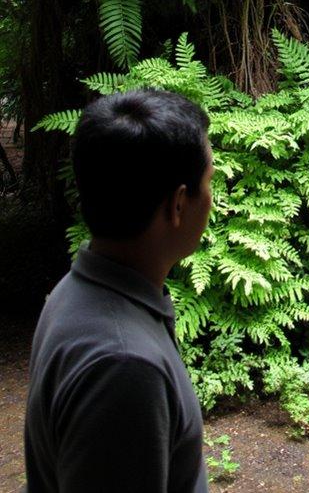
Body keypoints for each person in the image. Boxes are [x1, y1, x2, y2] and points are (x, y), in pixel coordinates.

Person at [24, 88, 213, 493]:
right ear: (178, 205)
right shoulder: (125, 367)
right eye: (209, 182)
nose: (212, 201)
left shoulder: (77, 292)